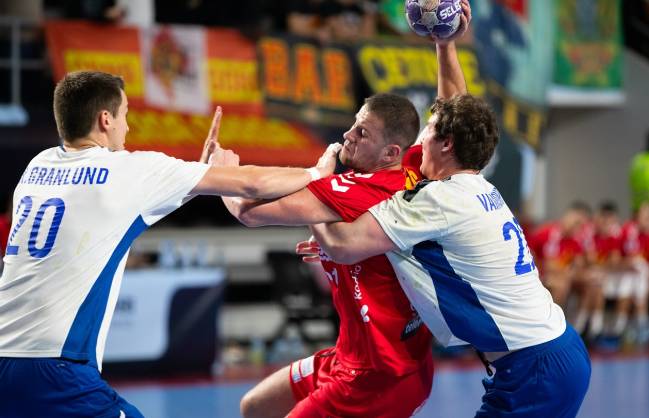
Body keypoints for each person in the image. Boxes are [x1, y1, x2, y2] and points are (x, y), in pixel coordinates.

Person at [0, 70, 341, 418]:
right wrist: (317, 173)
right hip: (55, 366)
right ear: (105, 119)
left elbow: (121, 198)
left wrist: (199, 171)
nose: (127, 127)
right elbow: (252, 185)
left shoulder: (37, 167)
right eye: (125, 114)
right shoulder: (127, 169)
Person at [219, 4, 473, 417]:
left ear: (390, 152)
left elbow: (247, 210)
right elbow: (452, 111)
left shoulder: (351, 189)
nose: (347, 135)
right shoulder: (413, 171)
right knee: (255, 406)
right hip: (360, 355)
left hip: (375, 376)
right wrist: (445, 45)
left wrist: (217, 172)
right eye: (354, 124)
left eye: (362, 133)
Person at [308, 96, 591, 415]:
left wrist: (320, 183)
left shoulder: (441, 199)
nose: (420, 140)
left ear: (447, 144)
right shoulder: (479, 187)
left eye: (428, 129)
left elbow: (342, 244)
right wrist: (446, 61)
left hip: (535, 368)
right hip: (555, 350)